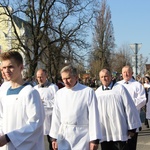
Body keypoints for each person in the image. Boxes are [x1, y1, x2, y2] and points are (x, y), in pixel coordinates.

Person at [0, 51, 45, 150]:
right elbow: (2, 118)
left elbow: (35, 124)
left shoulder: (30, 93)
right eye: (4, 67)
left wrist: (8, 137)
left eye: (10, 67)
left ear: (21, 68)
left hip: (25, 146)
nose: (6, 70)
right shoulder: (4, 92)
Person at [50, 65, 101, 150]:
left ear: (76, 77)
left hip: (81, 136)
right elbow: (56, 116)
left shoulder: (87, 92)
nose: (65, 82)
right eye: (63, 79)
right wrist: (54, 137)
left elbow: (94, 116)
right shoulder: (59, 93)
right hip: (64, 134)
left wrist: (94, 139)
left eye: (68, 78)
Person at [95, 69, 141, 150]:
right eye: (102, 77)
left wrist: (132, 127)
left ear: (110, 77)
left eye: (106, 76)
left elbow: (129, 107)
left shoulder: (120, 89)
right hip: (104, 130)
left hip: (119, 129)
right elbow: (94, 113)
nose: (104, 79)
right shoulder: (97, 92)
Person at [118, 65, 146, 150]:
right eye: (124, 72)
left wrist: (129, 105)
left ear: (132, 73)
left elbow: (143, 100)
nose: (126, 74)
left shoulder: (137, 85)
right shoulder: (117, 85)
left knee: (131, 145)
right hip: (120, 118)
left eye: (128, 72)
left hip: (132, 119)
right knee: (120, 145)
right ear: (121, 74)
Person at [34, 68, 58, 150]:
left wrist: (43, 102)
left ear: (46, 76)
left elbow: (57, 102)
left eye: (41, 77)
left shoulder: (53, 88)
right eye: (38, 77)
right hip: (39, 118)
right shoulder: (34, 89)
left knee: (51, 140)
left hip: (50, 119)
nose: (39, 79)